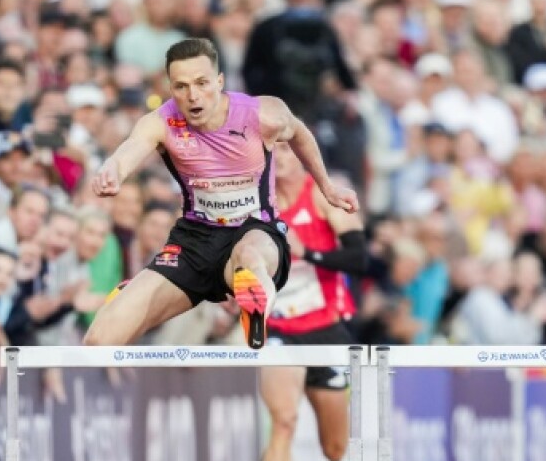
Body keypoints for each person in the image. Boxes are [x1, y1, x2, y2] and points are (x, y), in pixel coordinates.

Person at [84, 37, 359, 349]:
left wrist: (327, 186)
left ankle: (254, 306)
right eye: (181, 86)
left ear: (219, 81)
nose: (193, 96)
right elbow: (131, 149)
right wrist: (112, 170)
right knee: (98, 341)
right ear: (171, 88)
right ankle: (134, 295)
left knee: (250, 256)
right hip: (194, 242)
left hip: (255, 228)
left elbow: (300, 135)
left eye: (201, 83)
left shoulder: (262, 114)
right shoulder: (162, 121)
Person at [259, 142, 366, 461]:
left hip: (326, 329)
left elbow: (360, 258)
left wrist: (309, 254)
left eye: (285, 149)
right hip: (278, 328)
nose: (278, 157)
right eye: (271, 151)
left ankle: (345, 394)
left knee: (335, 449)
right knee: (283, 421)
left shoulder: (324, 196)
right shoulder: (256, 205)